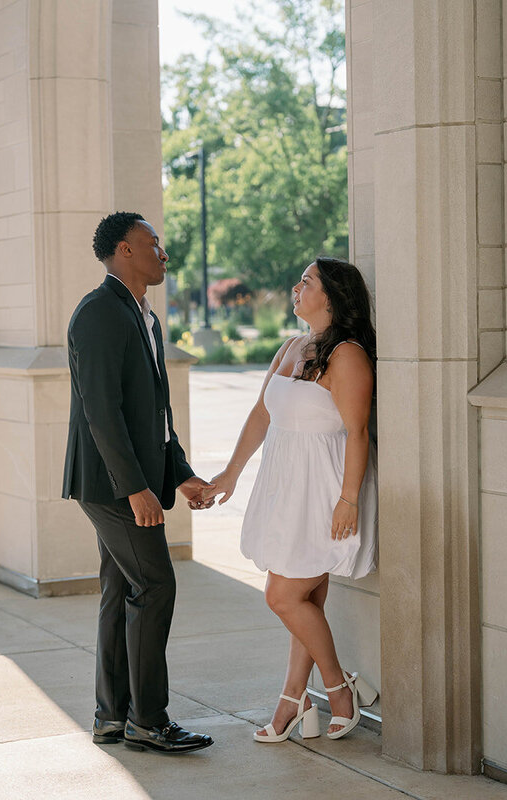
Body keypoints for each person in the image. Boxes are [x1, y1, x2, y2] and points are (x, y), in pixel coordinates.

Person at [205, 257, 379, 742]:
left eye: (307, 281)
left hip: (323, 492)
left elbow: (358, 432)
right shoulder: (292, 346)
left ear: (332, 297)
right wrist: (231, 473)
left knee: (282, 596)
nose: (295, 288)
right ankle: (294, 699)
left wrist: (348, 500)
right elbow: (262, 415)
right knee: (305, 598)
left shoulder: (347, 355)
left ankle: (338, 689)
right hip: (285, 488)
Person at [62, 211, 217, 754]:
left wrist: (181, 474)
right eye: (153, 243)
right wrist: (134, 487)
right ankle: (149, 720)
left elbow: (155, 413)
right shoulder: (99, 312)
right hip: (110, 485)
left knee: (123, 589)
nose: (163, 253)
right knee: (155, 586)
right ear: (124, 250)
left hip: (127, 480)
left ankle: (113, 716)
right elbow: (101, 411)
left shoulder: (145, 318)